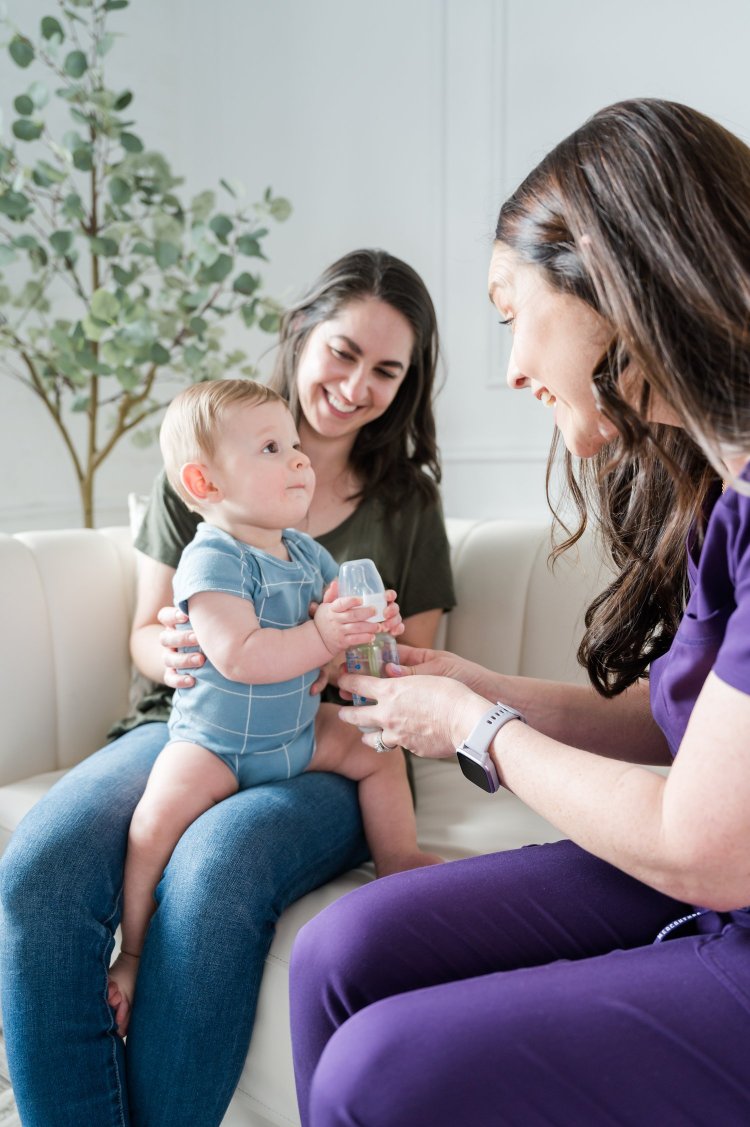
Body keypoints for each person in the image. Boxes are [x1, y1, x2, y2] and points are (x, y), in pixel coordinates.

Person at [290, 99, 750, 1126]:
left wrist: (475, 732)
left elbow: (710, 840)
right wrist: (481, 688)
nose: (511, 370)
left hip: (724, 878)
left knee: (381, 1072)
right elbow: (698, 739)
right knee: (339, 951)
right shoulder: (730, 491)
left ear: (614, 278)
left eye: (511, 312)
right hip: (719, 874)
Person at [0, 249, 455, 1127]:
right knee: (43, 869)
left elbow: (397, 680)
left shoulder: (403, 505)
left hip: (314, 742)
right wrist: (173, 650)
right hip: (189, 721)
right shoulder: (203, 460)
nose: (357, 385)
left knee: (214, 874)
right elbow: (146, 633)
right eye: (343, 351)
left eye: (387, 370)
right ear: (301, 336)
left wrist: (349, 645)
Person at [108, 379, 439, 1035]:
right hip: (215, 748)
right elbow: (241, 655)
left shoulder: (307, 554)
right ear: (204, 483)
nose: (298, 459)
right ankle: (136, 950)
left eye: (293, 445)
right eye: (271, 448)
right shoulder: (209, 560)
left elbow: (331, 661)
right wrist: (321, 635)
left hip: (294, 736)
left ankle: (399, 858)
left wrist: (362, 628)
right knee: (150, 829)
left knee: (378, 750)